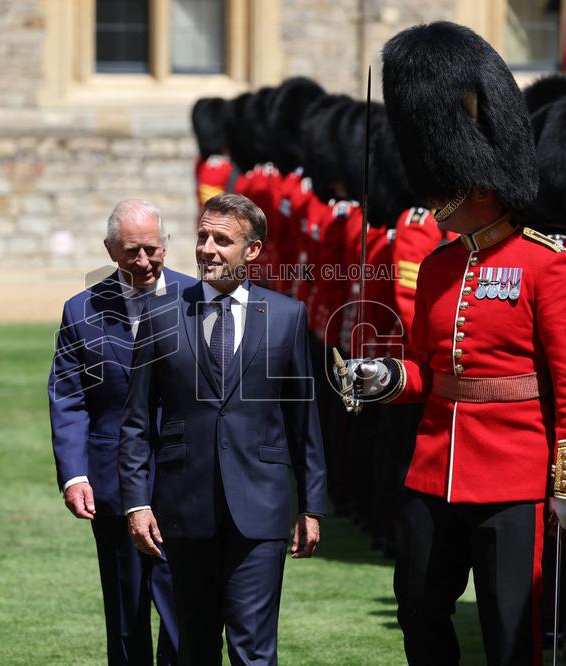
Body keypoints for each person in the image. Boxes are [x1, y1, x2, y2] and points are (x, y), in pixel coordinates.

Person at [339, 23, 566, 665]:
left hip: (513, 473)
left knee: (511, 631)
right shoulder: (438, 266)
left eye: (444, 188)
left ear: (480, 183)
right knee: (419, 608)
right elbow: (434, 371)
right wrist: (390, 379)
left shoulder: (548, 268)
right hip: (435, 467)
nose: (431, 204)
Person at [119, 193, 327, 664]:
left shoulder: (286, 317)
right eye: (202, 237)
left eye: (222, 240)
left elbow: (303, 422)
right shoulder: (160, 314)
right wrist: (136, 502)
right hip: (183, 509)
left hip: (261, 510)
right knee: (193, 647)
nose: (207, 249)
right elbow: (134, 423)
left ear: (252, 251)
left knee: (253, 651)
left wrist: (313, 505)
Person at [49, 198, 191, 665]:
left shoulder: (199, 302)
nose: (145, 261)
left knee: (184, 615)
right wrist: (74, 475)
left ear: (166, 246)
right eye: (132, 251)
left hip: (184, 481)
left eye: (152, 249)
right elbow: (69, 397)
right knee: (127, 616)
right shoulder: (81, 311)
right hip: (112, 484)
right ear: (110, 250)